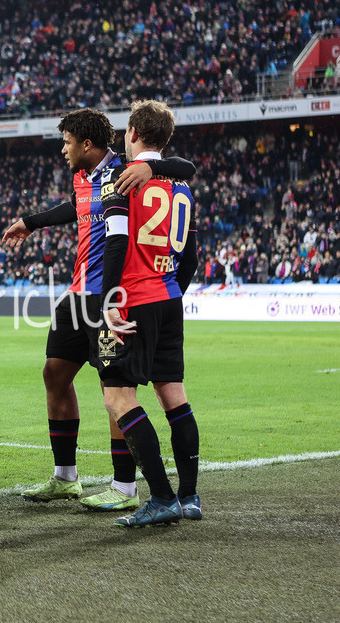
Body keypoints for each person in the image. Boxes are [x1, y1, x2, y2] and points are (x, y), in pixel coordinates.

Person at [2, 109, 196, 512]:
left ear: (86, 143)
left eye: (67, 141)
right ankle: (65, 477)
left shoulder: (126, 171)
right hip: (77, 293)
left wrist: (152, 166)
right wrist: (31, 222)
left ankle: (124, 485)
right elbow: (75, 206)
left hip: (110, 291)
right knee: (54, 373)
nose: (63, 149)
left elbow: (181, 167)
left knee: (115, 386)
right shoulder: (83, 178)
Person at [99, 100, 201, 527]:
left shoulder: (120, 180)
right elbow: (191, 258)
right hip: (169, 296)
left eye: (126, 131)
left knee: (118, 396)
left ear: (134, 131)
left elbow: (117, 246)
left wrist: (109, 303)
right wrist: (171, 292)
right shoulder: (182, 185)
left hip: (135, 300)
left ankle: (160, 496)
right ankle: (189, 496)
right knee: (172, 394)